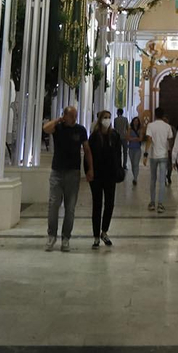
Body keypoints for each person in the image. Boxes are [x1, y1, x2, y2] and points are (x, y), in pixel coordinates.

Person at [42, 105, 91, 252]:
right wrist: (58, 120)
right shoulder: (58, 128)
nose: (74, 118)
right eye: (72, 116)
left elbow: (87, 150)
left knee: (70, 209)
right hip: (57, 172)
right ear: (65, 116)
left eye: (75, 116)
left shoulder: (80, 130)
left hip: (73, 173)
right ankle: (51, 236)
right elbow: (45, 128)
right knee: (53, 206)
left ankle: (65, 238)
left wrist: (90, 169)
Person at [87, 110, 126, 248]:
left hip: (110, 174)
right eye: (105, 117)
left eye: (109, 118)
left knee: (109, 203)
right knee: (97, 204)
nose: (107, 120)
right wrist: (89, 171)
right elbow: (88, 154)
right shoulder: (94, 137)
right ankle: (96, 235)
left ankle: (104, 231)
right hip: (97, 175)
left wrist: (120, 169)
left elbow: (118, 153)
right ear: (100, 119)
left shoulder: (114, 135)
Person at [145, 107, 175, 213]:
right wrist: (170, 151)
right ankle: (160, 204)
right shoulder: (167, 126)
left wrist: (145, 154)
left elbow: (148, 140)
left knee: (153, 179)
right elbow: (170, 139)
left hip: (153, 155)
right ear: (163, 115)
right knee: (162, 180)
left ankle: (152, 202)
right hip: (163, 155)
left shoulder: (150, 125)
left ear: (155, 114)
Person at [125, 115, 143, 184]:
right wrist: (135, 139)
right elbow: (127, 138)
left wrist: (132, 138)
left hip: (137, 149)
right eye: (135, 121)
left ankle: (135, 178)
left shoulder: (140, 130)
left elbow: (140, 138)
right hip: (131, 149)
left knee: (136, 163)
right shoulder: (130, 129)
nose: (136, 122)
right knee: (132, 164)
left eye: (137, 121)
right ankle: (134, 175)